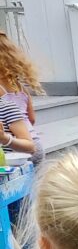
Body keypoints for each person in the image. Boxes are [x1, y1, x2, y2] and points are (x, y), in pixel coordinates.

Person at [0, 32, 42, 163]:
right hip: (34, 142)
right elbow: (32, 119)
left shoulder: (1, 92)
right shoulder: (21, 87)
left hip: (18, 149)